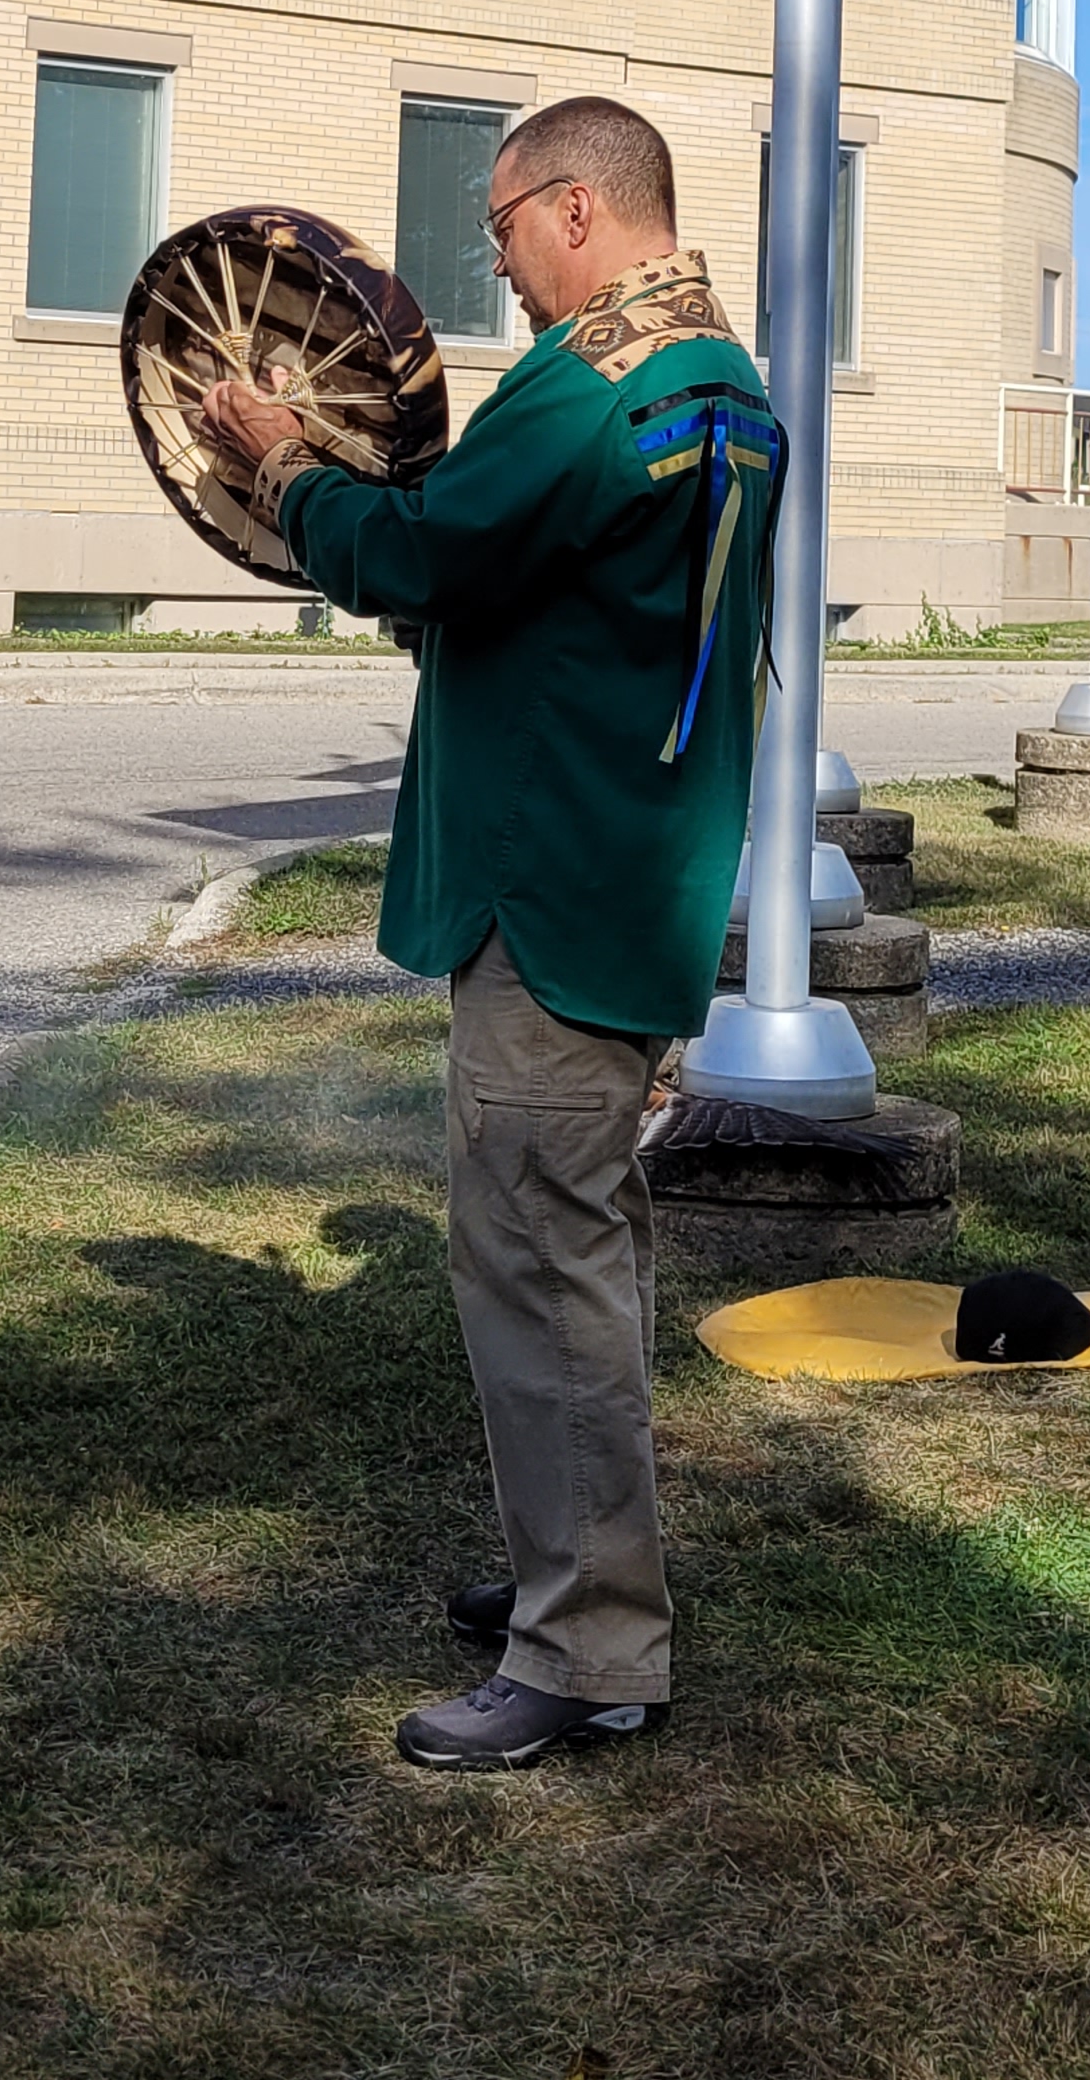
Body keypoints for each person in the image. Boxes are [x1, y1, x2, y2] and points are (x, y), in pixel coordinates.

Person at [195, 95, 778, 1771]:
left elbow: (433, 552)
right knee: (573, 1256)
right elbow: (552, 595)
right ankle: (569, 1573)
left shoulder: (599, 382)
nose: (500, 269)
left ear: (577, 210)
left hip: (554, 888)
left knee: (540, 1269)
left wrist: (285, 463)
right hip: (629, 875)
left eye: (504, 227)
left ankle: (589, 1647)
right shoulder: (718, 383)